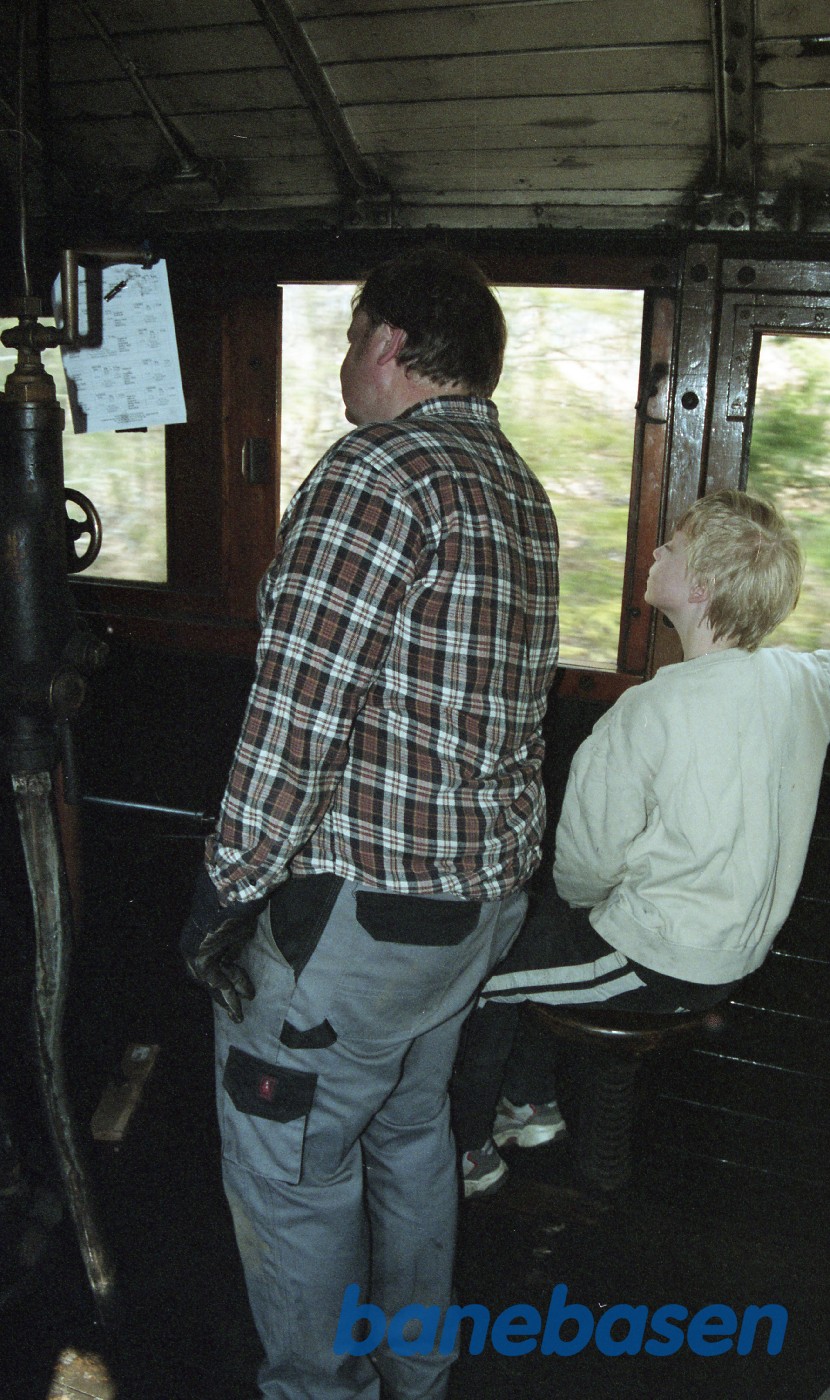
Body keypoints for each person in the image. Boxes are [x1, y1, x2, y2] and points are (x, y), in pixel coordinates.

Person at [179, 248, 560, 1400]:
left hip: (360, 923)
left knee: (293, 1171)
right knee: (406, 1139)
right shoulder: (520, 491)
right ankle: (419, 1369)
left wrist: (224, 890)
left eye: (351, 337)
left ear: (391, 342)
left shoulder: (377, 472)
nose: (346, 362)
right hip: (474, 909)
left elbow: (296, 713)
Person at [454, 488, 830, 1196]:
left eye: (674, 545)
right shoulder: (802, 681)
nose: (655, 551)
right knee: (533, 942)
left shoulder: (647, 711)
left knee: (474, 980)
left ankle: (470, 1148)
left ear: (701, 584)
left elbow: (584, 869)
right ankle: (531, 1105)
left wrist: (589, 910)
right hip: (733, 950)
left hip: (659, 957)